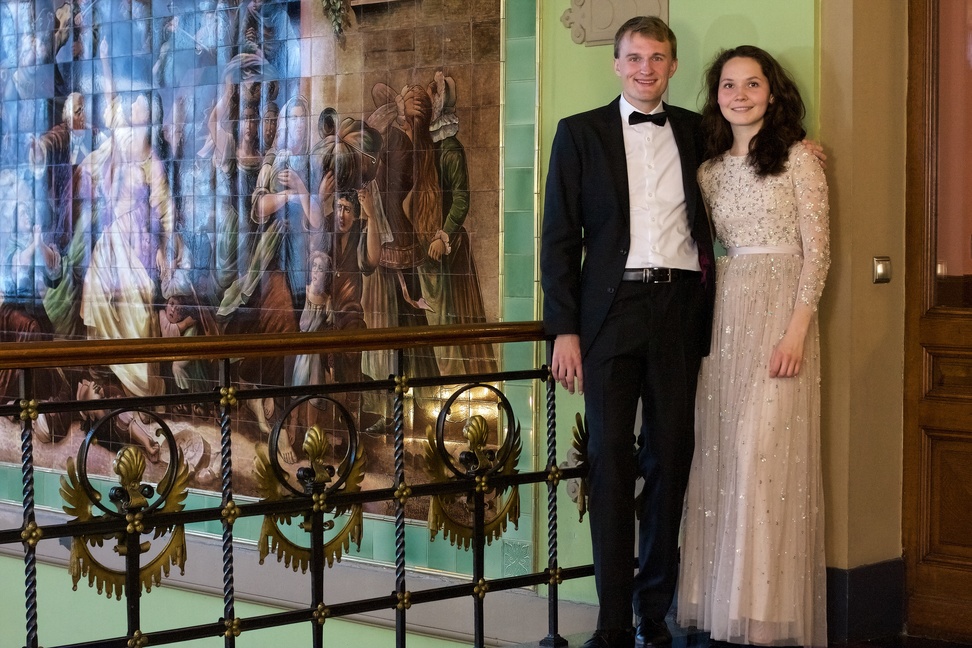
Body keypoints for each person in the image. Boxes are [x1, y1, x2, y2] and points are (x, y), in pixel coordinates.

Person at [541, 16, 716, 648]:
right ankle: (612, 621)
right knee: (609, 462)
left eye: (657, 57)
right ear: (617, 64)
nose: (646, 68)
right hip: (609, 314)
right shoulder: (579, 133)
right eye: (635, 57)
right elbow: (559, 239)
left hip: (678, 309)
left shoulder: (698, 131)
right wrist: (563, 330)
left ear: (673, 66)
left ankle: (654, 613)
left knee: (670, 458)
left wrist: (804, 150)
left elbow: (757, 153)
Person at [676, 46, 830, 648]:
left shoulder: (799, 159)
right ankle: (727, 612)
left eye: (752, 83)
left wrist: (797, 330)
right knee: (725, 459)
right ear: (716, 95)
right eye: (728, 85)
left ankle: (764, 622)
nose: (739, 95)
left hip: (781, 321)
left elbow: (818, 254)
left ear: (773, 91)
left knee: (762, 461)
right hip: (726, 317)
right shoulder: (708, 171)